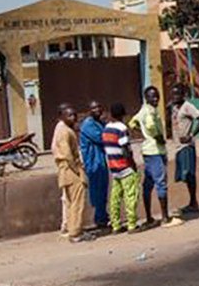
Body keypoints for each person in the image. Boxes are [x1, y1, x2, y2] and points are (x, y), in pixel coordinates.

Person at [131, 86, 170, 227]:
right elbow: (151, 125)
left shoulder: (143, 110)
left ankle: (149, 217)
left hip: (147, 150)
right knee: (161, 183)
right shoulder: (148, 112)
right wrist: (157, 137)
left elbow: (132, 122)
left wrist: (141, 132)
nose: (155, 99)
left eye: (157, 96)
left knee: (148, 184)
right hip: (155, 151)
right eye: (152, 97)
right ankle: (165, 217)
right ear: (146, 98)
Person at [103, 102, 142, 233]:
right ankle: (132, 224)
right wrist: (132, 163)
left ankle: (116, 225)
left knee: (115, 197)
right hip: (124, 166)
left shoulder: (106, 128)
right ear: (122, 115)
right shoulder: (121, 128)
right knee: (130, 195)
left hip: (113, 168)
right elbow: (125, 148)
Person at [52, 103, 89, 241]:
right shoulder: (65, 131)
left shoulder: (64, 129)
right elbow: (68, 155)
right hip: (69, 169)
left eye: (74, 115)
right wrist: (78, 171)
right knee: (77, 202)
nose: (73, 118)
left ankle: (70, 228)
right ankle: (75, 232)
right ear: (62, 117)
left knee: (70, 201)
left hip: (65, 169)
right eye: (69, 115)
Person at [170, 85, 199, 216]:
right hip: (178, 146)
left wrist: (191, 135)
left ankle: (193, 202)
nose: (174, 97)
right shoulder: (174, 108)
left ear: (183, 95)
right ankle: (192, 202)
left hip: (187, 146)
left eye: (177, 94)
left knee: (189, 173)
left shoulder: (187, 106)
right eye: (173, 94)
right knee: (183, 175)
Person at [78, 101, 109, 232]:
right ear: (89, 110)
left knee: (103, 190)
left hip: (101, 161)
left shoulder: (99, 123)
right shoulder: (88, 125)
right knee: (97, 192)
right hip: (93, 163)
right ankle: (100, 219)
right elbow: (102, 138)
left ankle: (103, 217)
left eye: (98, 107)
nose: (97, 109)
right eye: (94, 108)